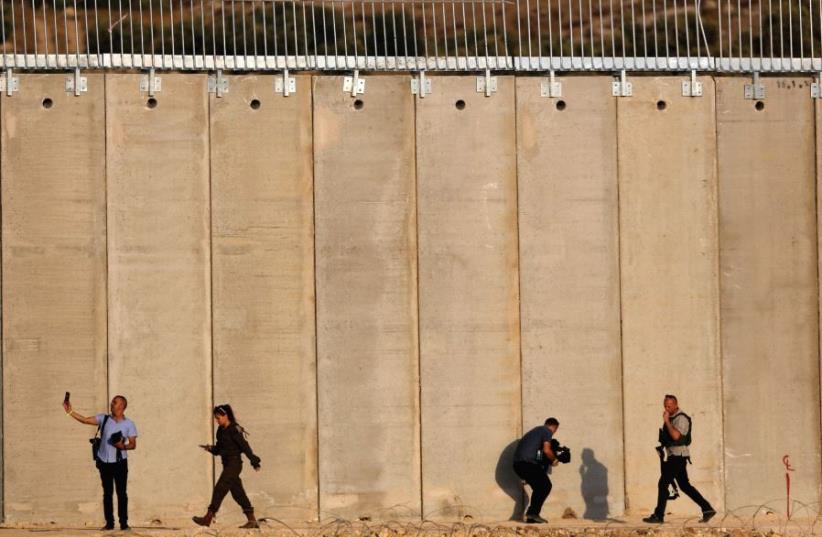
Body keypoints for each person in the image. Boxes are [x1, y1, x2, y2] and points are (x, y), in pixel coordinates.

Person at [63, 395, 138, 531]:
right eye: (112, 401)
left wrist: (122, 446)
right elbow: (85, 420)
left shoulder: (129, 424)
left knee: (122, 493)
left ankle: (124, 524)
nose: (111, 404)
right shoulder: (104, 418)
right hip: (104, 462)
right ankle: (109, 523)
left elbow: (133, 445)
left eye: (114, 402)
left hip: (120, 462)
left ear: (121, 406)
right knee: (107, 493)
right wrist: (70, 412)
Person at [643, 395, 716, 524]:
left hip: (678, 457)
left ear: (676, 405)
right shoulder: (672, 417)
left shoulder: (681, 418)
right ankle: (707, 509)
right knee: (685, 486)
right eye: (665, 405)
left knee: (663, 483)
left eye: (669, 406)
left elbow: (676, 436)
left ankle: (658, 515)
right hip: (674, 456)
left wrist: (666, 421)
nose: (666, 408)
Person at [193, 404, 262, 529]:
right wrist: (211, 449)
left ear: (226, 416)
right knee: (237, 493)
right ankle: (252, 520)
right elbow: (219, 449)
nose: (217, 420)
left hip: (235, 464)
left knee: (220, 487)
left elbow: (244, 446)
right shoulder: (220, 431)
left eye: (218, 417)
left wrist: (254, 461)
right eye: (216, 418)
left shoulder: (234, 429)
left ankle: (208, 517)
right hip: (227, 465)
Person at [512, 417, 560, 523]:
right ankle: (533, 513)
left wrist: (543, 465)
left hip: (519, 465)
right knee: (546, 486)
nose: (553, 434)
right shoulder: (546, 431)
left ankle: (531, 517)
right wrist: (554, 460)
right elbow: (547, 450)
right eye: (555, 431)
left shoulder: (537, 432)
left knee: (539, 487)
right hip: (526, 464)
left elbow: (539, 454)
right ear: (554, 427)